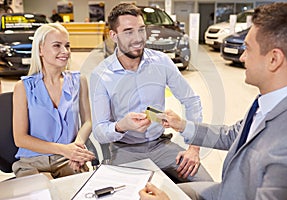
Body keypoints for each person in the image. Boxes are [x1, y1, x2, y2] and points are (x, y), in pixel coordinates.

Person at [139, 2, 287, 200]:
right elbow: (233, 135)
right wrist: (182, 125)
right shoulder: (270, 100)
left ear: (274, 59)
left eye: (247, 49)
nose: (242, 57)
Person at [90, 3, 212, 183]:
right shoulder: (101, 75)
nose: (138, 38)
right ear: (113, 36)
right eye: (129, 32)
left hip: (160, 144)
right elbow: (100, 130)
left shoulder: (161, 61)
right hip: (124, 150)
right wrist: (121, 126)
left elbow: (191, 100)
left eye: (141, 30)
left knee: (207, 187)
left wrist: (193, 148)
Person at [12, 23, 95, 179]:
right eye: (57, 46)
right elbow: (20, 139)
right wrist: (65, 149)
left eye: (67, 46)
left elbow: (87, 122)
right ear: (40, 50)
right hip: (33, 162)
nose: (65, 51)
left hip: (68, 160)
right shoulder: (23, 87)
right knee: (46, 193)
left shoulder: (79, 81)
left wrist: (76, 149)